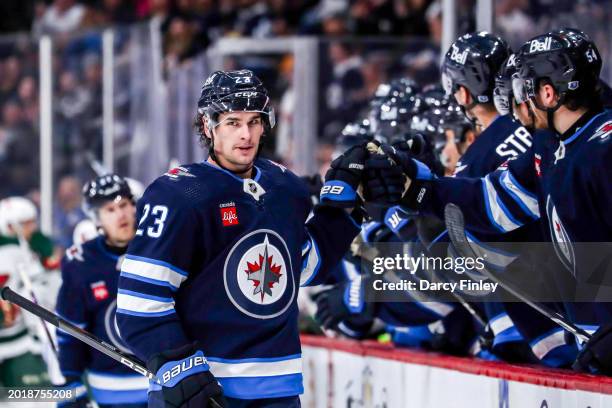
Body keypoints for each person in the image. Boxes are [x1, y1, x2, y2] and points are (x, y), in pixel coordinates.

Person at [363, 29, 612, 373]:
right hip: (593, 347)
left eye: (521, 90)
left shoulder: (603, 148)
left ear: (548, 92)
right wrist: (420, 188)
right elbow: (497, 202)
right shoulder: (549, 146)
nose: (512, 106)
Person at [116, 69, 367, 407]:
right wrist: (176, 365)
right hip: (202, 389)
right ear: (209, 126)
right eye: (233, 122)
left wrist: (343, 215)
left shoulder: (285, 187)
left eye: (254, 121)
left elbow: (300, 268)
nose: (246, 134)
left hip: (278, 389)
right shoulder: (177, 195)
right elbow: (139, 302)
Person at [56, 174, 148, 407]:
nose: (121, 215)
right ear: (96, 218)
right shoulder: (81, 263)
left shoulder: (158, 248)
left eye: (124, 205)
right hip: (109, 388)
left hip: (165, 383)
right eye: (110, 210)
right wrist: (71, 380)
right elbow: (70, 331)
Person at [0, 197, 51, 390]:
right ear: (12, 226)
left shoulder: (26, 249)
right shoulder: (16, 253)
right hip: (17, 339)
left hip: (19, 339)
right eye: (27, 223)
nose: (33, 228)